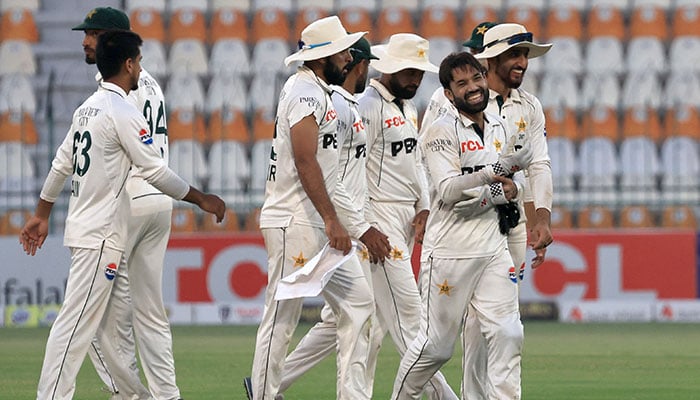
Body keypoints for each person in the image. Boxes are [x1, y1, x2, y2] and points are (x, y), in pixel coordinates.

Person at [19, 30, 226, 400]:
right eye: (139, 63)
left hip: (85, 230)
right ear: (129, 64)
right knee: (76, 327)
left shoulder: (87, 108)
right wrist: (201, 199)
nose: (140, 69)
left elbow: (60, 162)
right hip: (101, 236)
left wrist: (41, 212)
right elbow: (156, 171)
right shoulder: (123, 111)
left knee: (85, 324)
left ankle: (133, 395)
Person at [247, 16, 386, 400]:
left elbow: (328, 172)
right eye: (342, 50)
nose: (347, 56)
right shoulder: (304, 93)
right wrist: (332, 220)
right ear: (324, 55)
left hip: (316, 224)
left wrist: (348, 224)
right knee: (281, 319)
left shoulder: (319, 93)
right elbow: (306, 161)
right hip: (295, 222)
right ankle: (262, 394)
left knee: (359, 302)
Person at [419, 22, 554, 398]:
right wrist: (424, 208)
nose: (522, 62)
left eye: (525, 54)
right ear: (490, 59)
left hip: (509, 224)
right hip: (462, 222)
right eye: (515, 54)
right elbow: (429, 158)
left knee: (502, 324)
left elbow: (538, 164)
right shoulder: (449, 101)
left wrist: (540, 217)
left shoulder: (529, 105)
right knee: (454, 333)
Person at [392, 51, 534, 400]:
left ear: (486, 79)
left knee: (508, 333)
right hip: (448, 254)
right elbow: (449, 190)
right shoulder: (440, 131)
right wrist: (495, 178)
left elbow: (519, 184)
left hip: (492, 249)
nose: (472, 88)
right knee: (436, 349)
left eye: (476, 79)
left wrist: (507, 187)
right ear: (449, 93)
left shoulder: (500, 124)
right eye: (461, 84)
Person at [69, 7, 183, 400]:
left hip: (127, 202)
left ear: (114, 41)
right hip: (159, 202)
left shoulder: (113, 87)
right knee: (151, 313)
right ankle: (167, 395)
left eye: (93, 34)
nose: (85, 41)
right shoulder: (149, 82)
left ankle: (128, 393)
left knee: (95, 313)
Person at [359, 33, 458, 400]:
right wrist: (366, 226)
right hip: (379, 220)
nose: (416, 80)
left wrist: (424, 206)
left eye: (419, 72)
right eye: (408, 72)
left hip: (406, 219)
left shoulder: (408, 107)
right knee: (412, 322)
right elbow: (352, 173)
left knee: (368, 322)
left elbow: (415, 164)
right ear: (389, 69)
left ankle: (269, 384)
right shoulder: (366, 107)